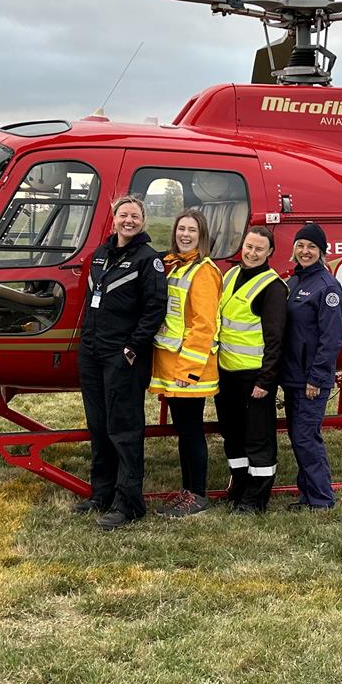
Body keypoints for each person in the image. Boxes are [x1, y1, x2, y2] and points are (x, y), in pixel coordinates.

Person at [77, 195, 166, 530]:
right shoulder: (101, 255)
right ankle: (101, 494)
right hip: (93, 353)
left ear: (143, 221)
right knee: (99, 426)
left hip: (122, 356)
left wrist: (132, 348)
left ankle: (129, 503)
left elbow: (155, 309)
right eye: (124, 215)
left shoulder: (148, 260)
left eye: (135, 216)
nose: (129, 220)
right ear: (113, 218)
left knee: (124, 430)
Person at [149, 208, 222, 518]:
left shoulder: (203, 271)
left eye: (192, 230)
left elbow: (204, 325)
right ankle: (188, 489)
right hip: (171, 366)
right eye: (181, 229)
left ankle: (198, 495)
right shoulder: (173, 266)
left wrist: (188, 371)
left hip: (190, 370)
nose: (185, 234)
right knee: (183, 430)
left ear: (201, 236)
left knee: (191, 431)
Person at [214, 224, 287, 513]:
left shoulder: (273, 287)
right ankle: (239, 487)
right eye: (249, 246)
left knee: (258, 438)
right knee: (232, 434)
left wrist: (266, 380)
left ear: (269, 252)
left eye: (259, 248)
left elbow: (275, 339)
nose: (252, 252)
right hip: (226, 372)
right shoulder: (230, 274)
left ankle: (256, 499)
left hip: (254, 377)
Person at [279, 221, 342, 510]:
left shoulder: (327, 287)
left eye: (312, 247)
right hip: (292, 376)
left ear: (322, 252)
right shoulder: (294, 282)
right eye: (301, 246)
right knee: (298, 437)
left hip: (311, 379)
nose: (305, 251)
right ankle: (307, 495)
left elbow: (330, 340)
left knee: (306, 438)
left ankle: (321, 500)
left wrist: (317, 378)